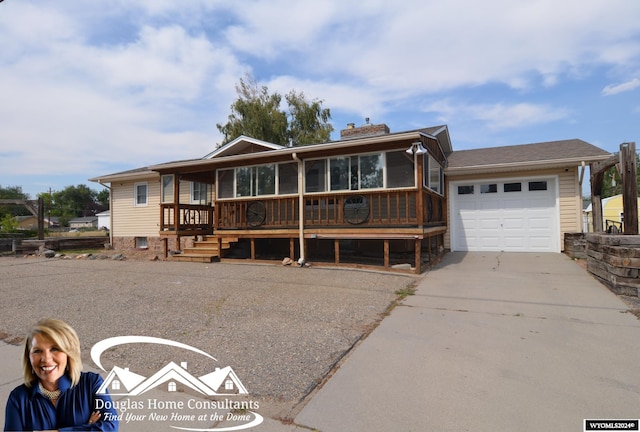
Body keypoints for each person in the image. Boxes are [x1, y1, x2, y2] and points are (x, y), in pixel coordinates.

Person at [4, 319, 119, 431]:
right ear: (29, 357)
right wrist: (87, 427)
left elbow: (110, 426)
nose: (46, 359)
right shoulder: (19, 398)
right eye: (37, 351)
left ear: (69, 353)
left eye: (55, 349)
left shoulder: (92, 384)